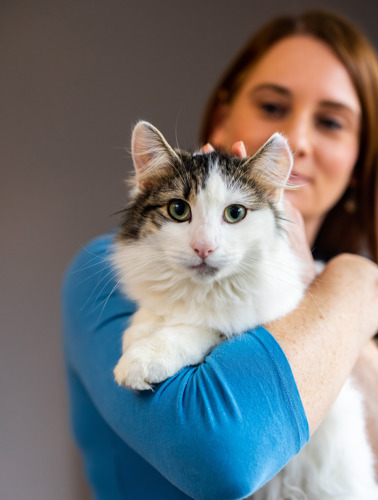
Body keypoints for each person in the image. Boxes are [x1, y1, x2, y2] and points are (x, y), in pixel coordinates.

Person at [62, 9, 378, 500]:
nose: (297, 138)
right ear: (223, 114)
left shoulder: (357, 306)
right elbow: (225, 456)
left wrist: (346, 287)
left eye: (332, 121)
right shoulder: (107, 275)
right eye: (273, 107)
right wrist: (356, 285)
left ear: (361, 159)